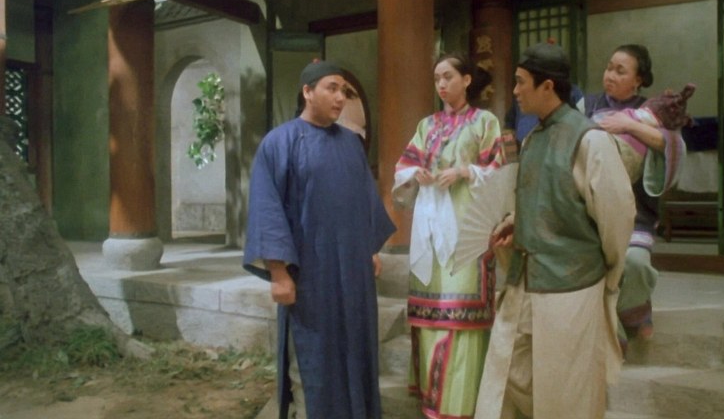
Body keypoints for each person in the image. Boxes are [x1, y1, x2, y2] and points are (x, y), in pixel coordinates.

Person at [474, 42, 635, 418]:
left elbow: (617, 217)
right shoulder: (533, 138)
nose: (515, 91)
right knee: (509, 374)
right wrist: (518, 222)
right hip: (526, 278)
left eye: (521, 82)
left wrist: (608, 274)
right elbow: (541, 199)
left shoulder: (590, 140)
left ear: (547, 86)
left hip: (573, 285)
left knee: (566, 391)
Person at [243, 60, 396, 419]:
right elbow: (267, 209)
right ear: (308, 92)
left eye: (344, 90)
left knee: (356, 354)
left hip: (353, 276)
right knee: (313, 359)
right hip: (310, 277)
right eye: (332, 88)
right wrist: (278, 273)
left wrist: (370, 248)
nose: (340, 97)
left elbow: (363, 200)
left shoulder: (351, 144)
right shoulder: (279, 142)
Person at [392, 52, 506, 419]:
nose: (441, 84)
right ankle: (433, 401)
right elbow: (405, 165)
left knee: (462, 315)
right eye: (437, 78)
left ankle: (461, 406)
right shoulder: (427, 125)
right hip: (431, 229)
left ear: (466, 80)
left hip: (469, 231)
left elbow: (499, 170)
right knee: (431, 312)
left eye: (448, 77)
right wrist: (417, 176)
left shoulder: (484, 122)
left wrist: (464, 172)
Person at [584, 45, 686, 347]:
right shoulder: (587, 105)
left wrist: (629, 124)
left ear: (638, 80)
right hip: (592, 210)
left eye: (620, 71)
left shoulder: (652, 110)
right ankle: (612, 326)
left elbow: (672, 145)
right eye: (609, 67)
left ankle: (632, 310)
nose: (610, 75)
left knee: (636, 264)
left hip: (635, 210)